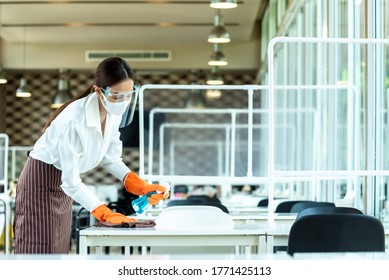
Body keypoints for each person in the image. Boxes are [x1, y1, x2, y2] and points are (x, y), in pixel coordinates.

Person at [13, 57, 169, 254]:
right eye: (116, 95)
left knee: (59, 248)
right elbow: (70, 183)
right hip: (40, 182)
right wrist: (103, 212)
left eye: (128, 95)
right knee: (40, 249)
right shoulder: (74, 121)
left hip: (61, 186)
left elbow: (111, 159)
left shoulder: (113, 114)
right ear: (98, 91)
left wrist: (138, 184)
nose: (122, 102)